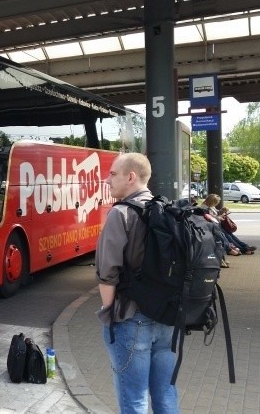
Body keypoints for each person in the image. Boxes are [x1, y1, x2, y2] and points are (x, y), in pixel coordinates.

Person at [96, 152, 178, 414]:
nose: (107, 180)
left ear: (131, 177)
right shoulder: (171, 209)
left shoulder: (120, 214)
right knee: (165, 391)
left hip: (132, 318)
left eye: (112, 174)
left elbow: (107, 272)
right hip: (168, 317)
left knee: (134, 399)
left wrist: (109, 312)